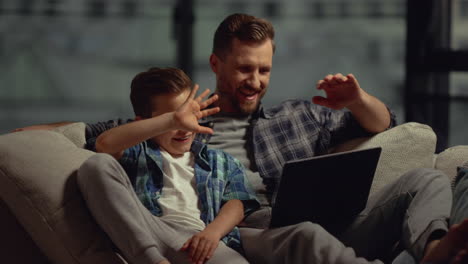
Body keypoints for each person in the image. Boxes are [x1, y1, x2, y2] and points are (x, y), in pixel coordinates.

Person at [14, 13, 468, 264]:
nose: (255, 80)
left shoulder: (299, 116)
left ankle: (431, 253)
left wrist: (356, 98)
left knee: (425, 182)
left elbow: (384, 124)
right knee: (302, 235)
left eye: (264, 70)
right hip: (253, 229)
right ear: (216, 64)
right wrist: (33, 135)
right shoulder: (180, 120)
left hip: (331, 224)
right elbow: (86, 137)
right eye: (244, 68)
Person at [77, 67, 260, 264]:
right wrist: (171, 119)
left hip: (197, 240)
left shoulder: (221, 161)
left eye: (188, 115)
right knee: (95, 165)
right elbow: (104, 145)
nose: (184, 127)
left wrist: (212, 233)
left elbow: (238, 202)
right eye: (173, 121)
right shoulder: (136, 151)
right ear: (145, 123)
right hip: (147, 231)